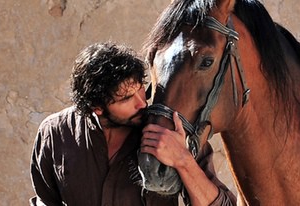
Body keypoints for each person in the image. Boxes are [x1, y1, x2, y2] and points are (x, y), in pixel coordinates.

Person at [29, 42, 235, 206]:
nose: (142, 103)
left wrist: (182, 159)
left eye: (140, 89)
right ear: (97, 107)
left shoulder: (170, 130)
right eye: (126, 99)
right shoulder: (55, 133)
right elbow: (45, 200)